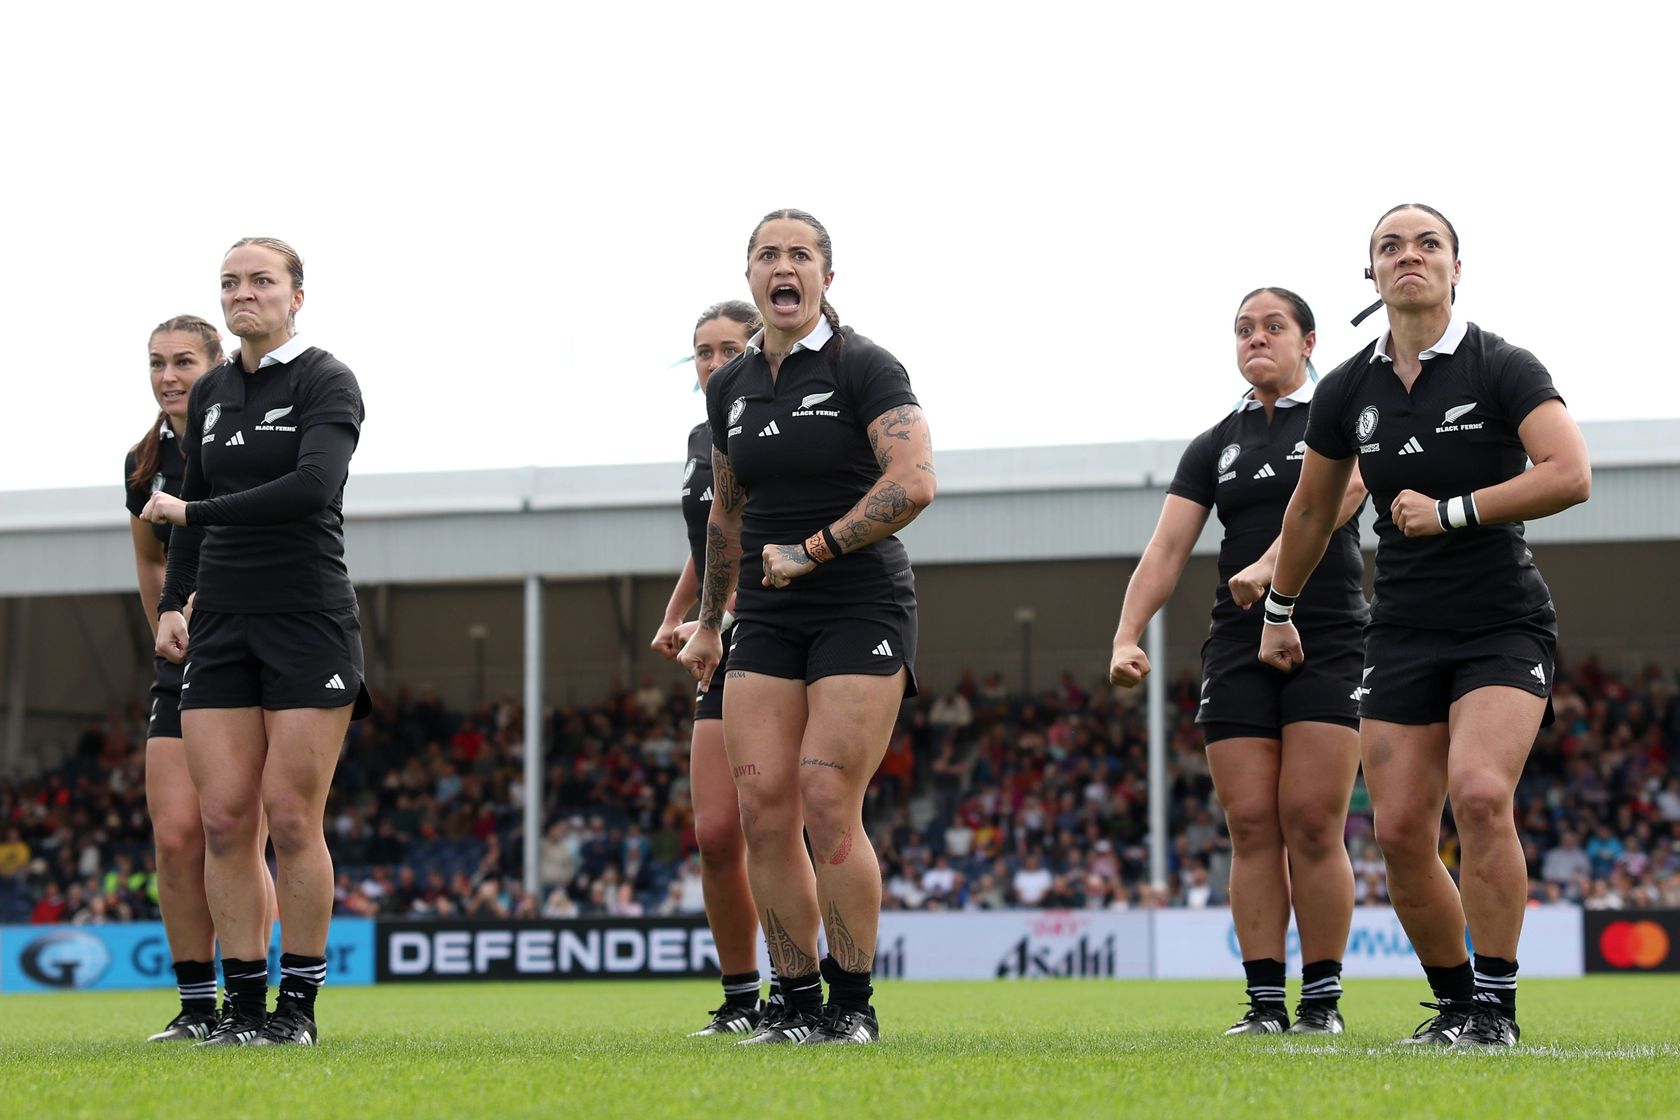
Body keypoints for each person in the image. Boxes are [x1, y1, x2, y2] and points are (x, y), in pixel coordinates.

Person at [1260, 204, 1591, 1048]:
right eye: (1389, 246)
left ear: (1455, 268)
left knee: (1481, 796)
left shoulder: (1502, 364)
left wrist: (1451, 513)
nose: (1409, 255)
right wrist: (1279, 607)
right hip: (1402, 630)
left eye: (1428, 244)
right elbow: (1310, 510)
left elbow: (1570, 473)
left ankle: (1498, 1010)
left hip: (1501, 623)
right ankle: (1455, 1006)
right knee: (1402, 832)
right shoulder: (1346, 388)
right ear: (1370, 275)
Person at [679, 209, 936, 1045]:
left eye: (799, 255)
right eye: (767, 255)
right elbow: (726, 514)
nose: (782, 267)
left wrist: (816, 549)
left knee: (828, 799)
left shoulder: (866, 365)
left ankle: (851, 1005)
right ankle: (791, 1004)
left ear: (827, 275)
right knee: (763, 809)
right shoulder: (731, 386)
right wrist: (709, 621)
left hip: (860, 604)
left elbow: (915, 479)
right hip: (766, 615)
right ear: (751, 277)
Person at [1110, 288, 1369, 1036]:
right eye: (1243, 329)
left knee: (1313, 822)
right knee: (1252, 823)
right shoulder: (1215, 442)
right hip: (1235, 643)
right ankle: (1263, 1005)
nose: (1256, 338)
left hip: (1326, 632)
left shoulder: (1339, 422)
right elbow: (1166, 548)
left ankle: (1320, 1002)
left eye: (1273, 327)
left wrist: (1267, 566)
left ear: (1309, 342)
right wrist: (1127, 633)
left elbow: (1345, 494)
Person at [145, 237, 370, 1047]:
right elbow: (189, 518)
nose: (245, 294)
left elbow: (313, 486)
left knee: (291, 817)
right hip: (221, 625)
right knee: (224, 819)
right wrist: (174, 605)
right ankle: (239, 1008)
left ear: (295, 295)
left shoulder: (325, 379)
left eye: (261, 281)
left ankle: (297, 1007)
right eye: (231, 283)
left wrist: (190, 516)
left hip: (307, 617)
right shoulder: (209, 390)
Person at [126, 315, 276, 1042]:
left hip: (254, 651)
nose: (169, 377)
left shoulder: (255, 440)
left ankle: (251, 998)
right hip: (182, 662)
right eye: (156, 363)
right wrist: (166, 617)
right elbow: (153, 564)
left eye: (185, 361)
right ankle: (194, 1007)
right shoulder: (142, 462)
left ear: (218, 367)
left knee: (235, 832)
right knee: (177, 835)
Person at [650, 299, 775, 1036]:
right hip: (721, 638)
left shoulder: (780, 424)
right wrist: (682, 615)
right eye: (702, 351)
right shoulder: (704, 436)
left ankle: (816, 990)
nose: (713, 363)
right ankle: (738, 999)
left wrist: (715, 616)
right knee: (717, 832)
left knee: (779, 823)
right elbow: (710, 544)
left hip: (781, 632)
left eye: (729, 349)